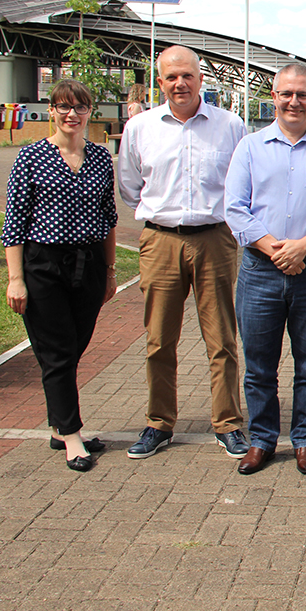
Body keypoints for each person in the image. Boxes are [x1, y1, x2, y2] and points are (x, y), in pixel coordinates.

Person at [117, 45, 250, 460]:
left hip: (215, 239)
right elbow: (129, 187)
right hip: (160, 240)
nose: (180, 83)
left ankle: (228, 423)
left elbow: (241, 183)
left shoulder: (230, 126)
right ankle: (159, 422)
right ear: (160, 82)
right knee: (159, 339)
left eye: (187, 75)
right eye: (171, 77)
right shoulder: (140, 127)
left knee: (222, 338)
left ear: (200, 79)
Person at [225, 64, 306, 476]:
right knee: (259, 365)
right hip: (260, 270)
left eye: (303, 94)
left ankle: (304, 440)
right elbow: (235, 208)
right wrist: (275, 249)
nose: (294, 102)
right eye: (286, 93)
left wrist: (302, 246)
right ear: (274, 96)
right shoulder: (250, 147)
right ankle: (262, 440)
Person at [3, 79, 117, 472]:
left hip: (89, 265)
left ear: (89, 112)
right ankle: (71, 435)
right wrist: (15, 279)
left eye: (80, 107)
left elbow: (108, 218)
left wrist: (110, 270)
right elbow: (14, 224)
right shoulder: (31, 156)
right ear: (51, 110)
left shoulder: (99, 158)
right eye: (64, 106)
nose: (72, 114)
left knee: (74, 346)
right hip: (44, 266)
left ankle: (59, 426)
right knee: (58, 353)